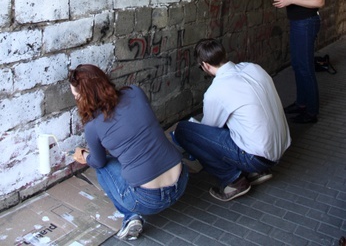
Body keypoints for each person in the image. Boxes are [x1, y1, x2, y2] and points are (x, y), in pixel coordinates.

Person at [69, 64, 188, 241]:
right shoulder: (135, 92)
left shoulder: (92, 126)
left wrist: (84, 156)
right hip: (181, 182)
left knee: (103, 166)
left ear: (83, 96)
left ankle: (130, 217)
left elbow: (99, 162)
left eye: (76, 95)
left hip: (149, 200)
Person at [174, 39, 291, 202]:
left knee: (184, 131)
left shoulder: (216, 90)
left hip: (256, 157)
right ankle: (253, 172)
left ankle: (233, 180)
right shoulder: (253, 68)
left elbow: (209, 130)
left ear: (205, 65)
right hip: (280, 147)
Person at [247, 0, 325, 124]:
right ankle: (301, 104)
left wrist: (290, 0)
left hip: (307, 23)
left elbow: (319, 1)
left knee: (305, 67)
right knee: (298, 65)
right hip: (298, 23)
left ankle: (311, 111)